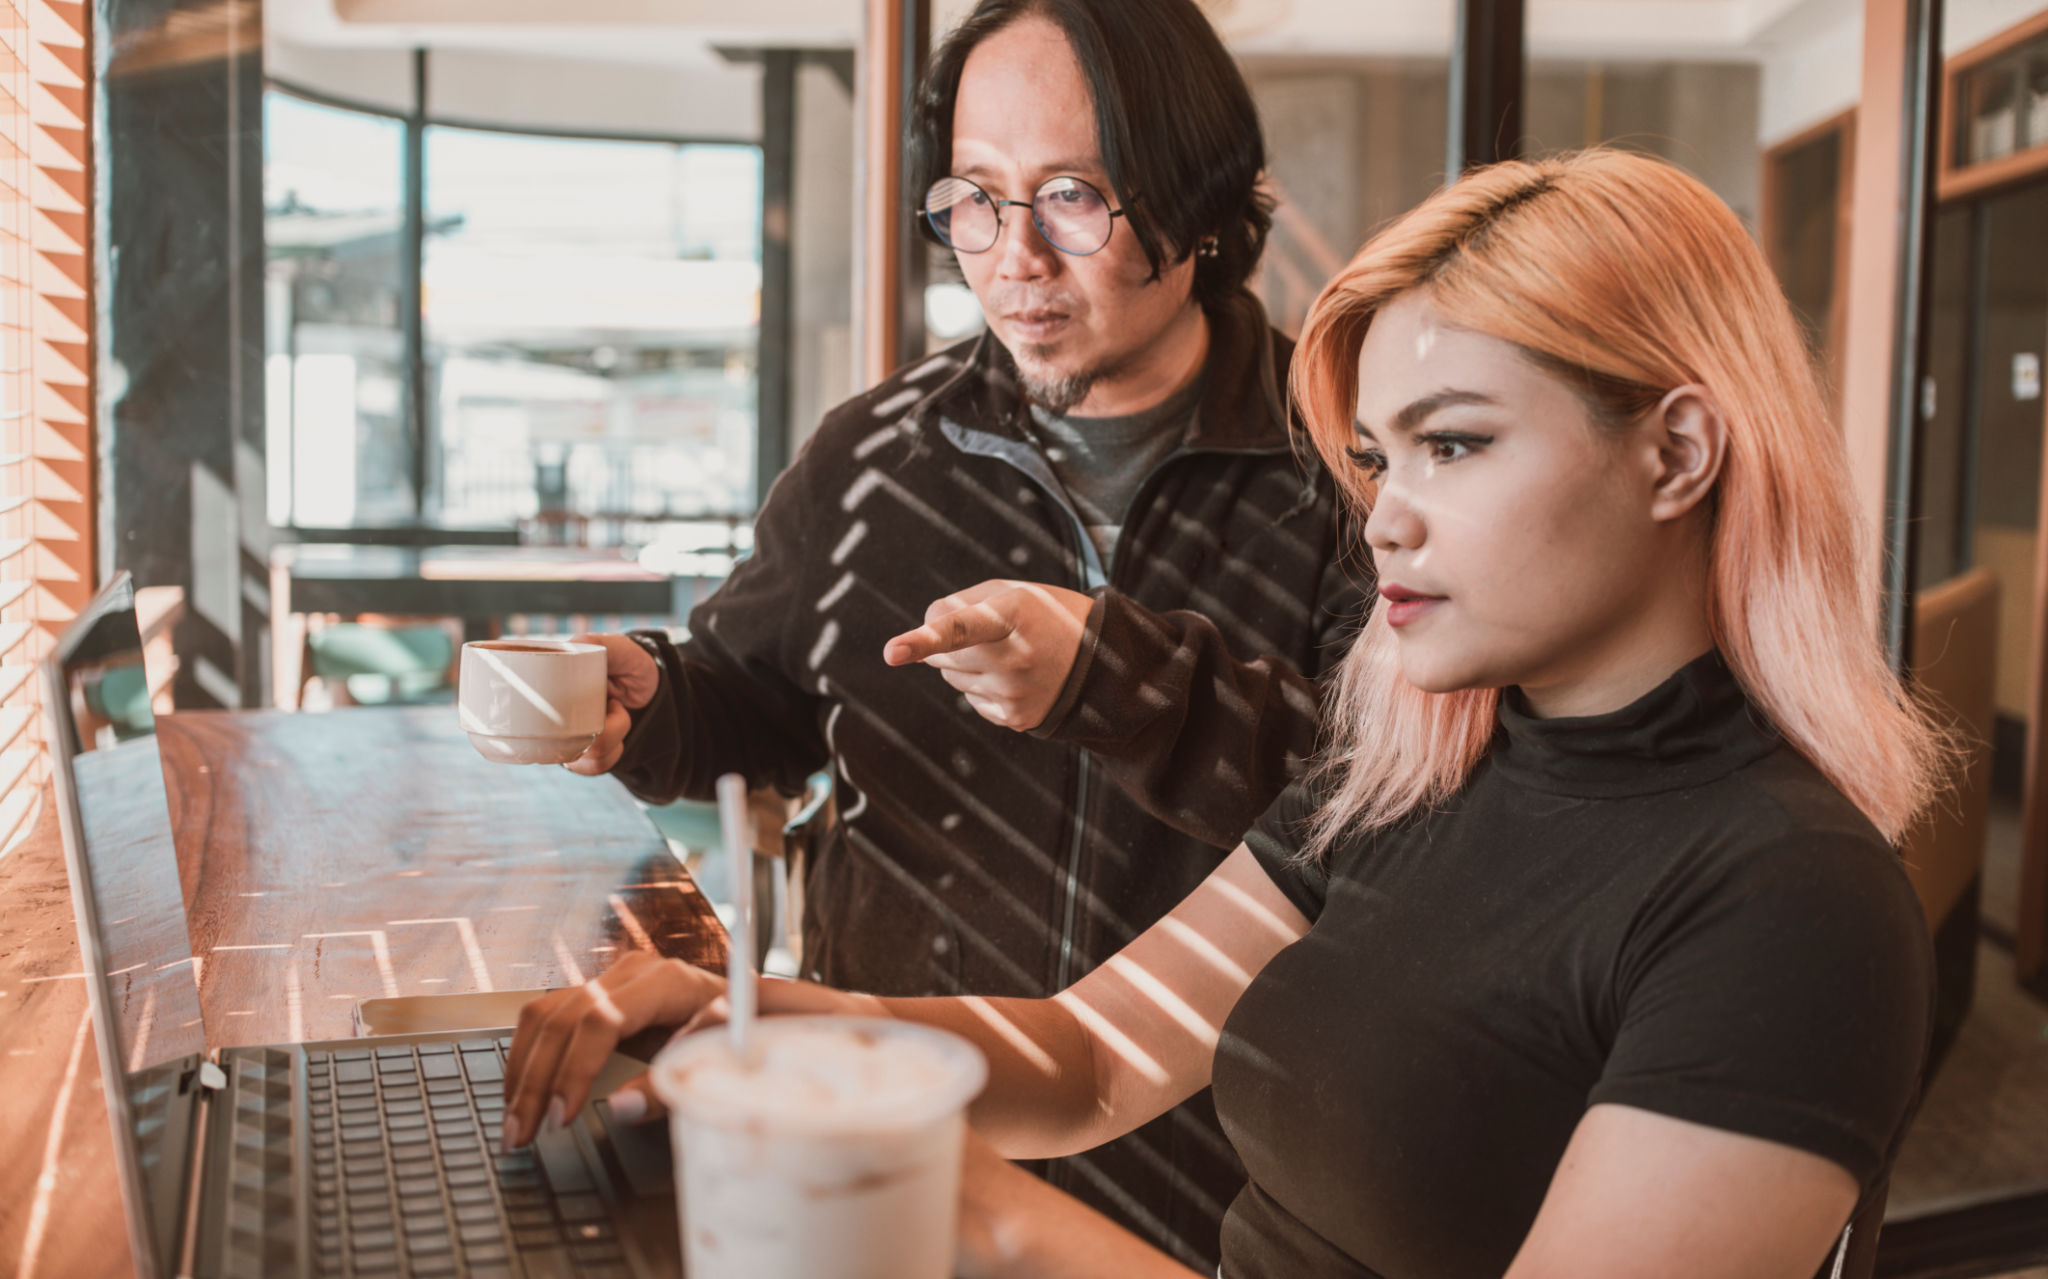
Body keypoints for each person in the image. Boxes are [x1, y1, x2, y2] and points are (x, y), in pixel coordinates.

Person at [507, 149, 1943, 1278]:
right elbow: (1088, 1061)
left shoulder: (1790, 907)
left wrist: (952, 1206)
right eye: (1379, 461)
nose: (1386, 520)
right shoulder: (1412, 770)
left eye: (1455, 445)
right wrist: (749, 1023)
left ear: (1678, 452)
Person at [552, 0, 1365, 1267]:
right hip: (885, 1155)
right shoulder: (872, 455)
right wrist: (656, 702)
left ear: (1200, 203)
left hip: (1211, 1199)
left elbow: (1378, 813)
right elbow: (758, 705)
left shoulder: (1346, 469)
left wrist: (1117, 683)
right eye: (976, 200)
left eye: (1072, 195)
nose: (1014, 259)